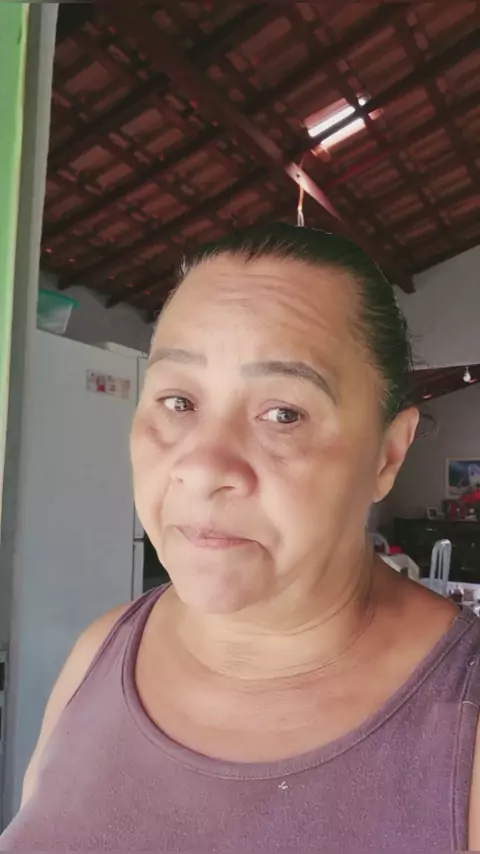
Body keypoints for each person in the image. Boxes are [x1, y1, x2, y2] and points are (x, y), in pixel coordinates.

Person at [1, 223, 479, 852]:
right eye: (178, 401)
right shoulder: (99, 653)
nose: (203, 467)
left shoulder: (463, 729)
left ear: (388, 454)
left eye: (284, 413)